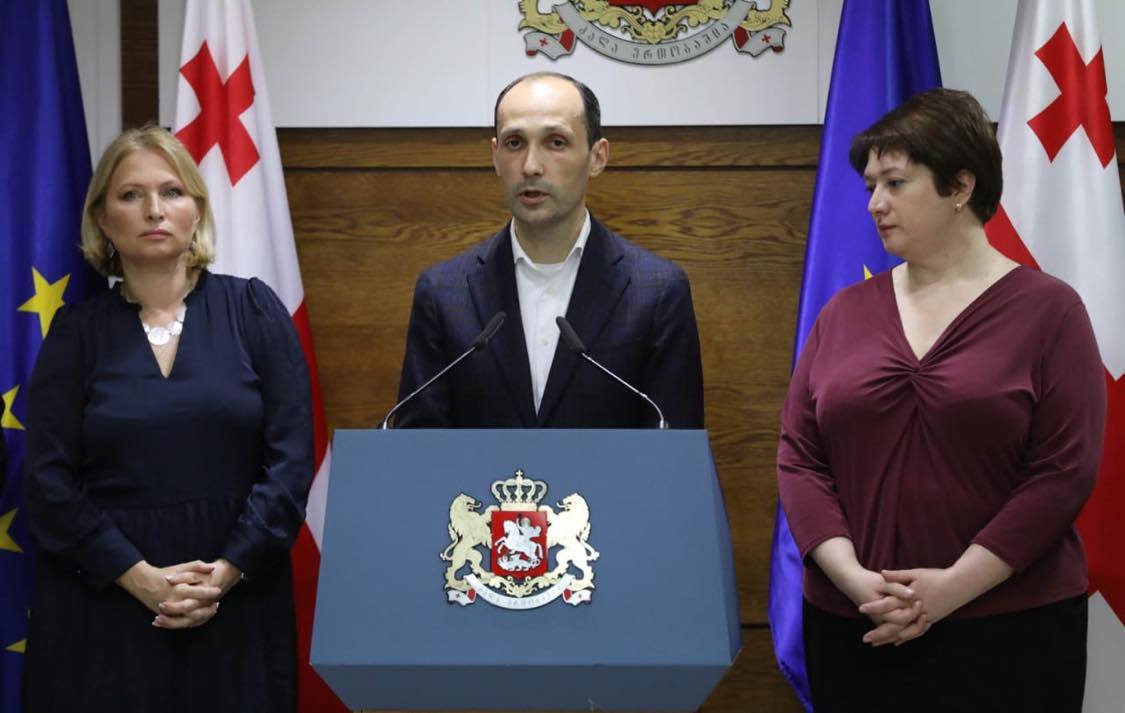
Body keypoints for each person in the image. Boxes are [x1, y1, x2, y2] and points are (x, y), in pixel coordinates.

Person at [777, 88, 1105, 713]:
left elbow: (1063, 472)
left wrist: (951, 589)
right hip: (858, 625)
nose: (874, 203)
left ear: (960, 185)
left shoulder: (1050, 312)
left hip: (1010, 631)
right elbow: (800, 458)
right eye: (871, 185)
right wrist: (854, 580)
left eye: (895, 183)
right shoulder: (843, 313)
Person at [22, 126, 313, 712]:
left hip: (235, 600)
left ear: (196, 209)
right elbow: (48, 481)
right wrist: (139, 579)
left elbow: (291, 459)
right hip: (104, 606)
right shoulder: (75, 333)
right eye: (130, 195)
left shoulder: (253, 310)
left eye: (172, 192)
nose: (154, 210)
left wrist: (224, 573)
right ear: (102, 220)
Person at [395, 72, 703, 428]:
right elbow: (417, 443)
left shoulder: (658, 292)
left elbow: (674, 440)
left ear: (597, 157)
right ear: (495, 156)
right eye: (514, 143)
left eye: (556, 142)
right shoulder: (443, 293)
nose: (531, 166)